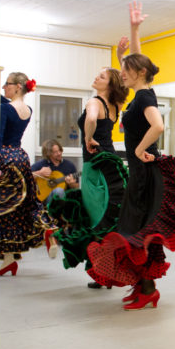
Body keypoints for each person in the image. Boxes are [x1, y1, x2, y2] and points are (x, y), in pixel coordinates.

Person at [86, 1, 175, 308]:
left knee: (136, 232)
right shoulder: (142, 91)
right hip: (141, 173)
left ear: (140, 72)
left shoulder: (145, 95)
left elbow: (158, 125)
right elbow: (136, 62)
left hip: (145, 173)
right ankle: (145, 286)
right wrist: (134, 30)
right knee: (136, 231)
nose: (121, 74)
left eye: (125, 70)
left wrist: (142, 148)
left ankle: (147, 289)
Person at [46, 64, 129, 288]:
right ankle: (104, 271)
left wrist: (87, 138)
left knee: (95, 218)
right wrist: (123, 59)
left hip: (95, 164)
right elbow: (124, 82)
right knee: (109, 214)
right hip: (110, 162)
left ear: (109, 85)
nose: (96, 77)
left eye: (101, 76)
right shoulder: (114, 105)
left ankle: (102, 272)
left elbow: (91, 119)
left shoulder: (95, 102)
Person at [0, 72, 53, 275]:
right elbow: (6, 101)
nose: (4, 87)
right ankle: (45, 230)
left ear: (18, 87)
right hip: (21, 157)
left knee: (2, 207)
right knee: (25, 204)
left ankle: (8, 256)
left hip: (6, 158)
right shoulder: (27, 110)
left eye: (7, 84)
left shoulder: (5, 109)